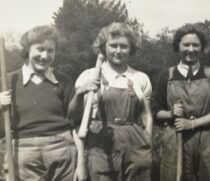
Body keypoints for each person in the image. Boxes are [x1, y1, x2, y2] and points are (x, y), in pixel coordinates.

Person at [70, 22, 153, 181]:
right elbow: (75, 121)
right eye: (113, 45)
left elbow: (146, 115)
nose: (118, 51)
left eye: (124, 46)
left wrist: (146, 141)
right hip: (101, 147)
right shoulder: (89, 76)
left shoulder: (140, 78)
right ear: (103, 47)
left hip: (136, 147)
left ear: (131, 48)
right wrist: (80, 164)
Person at [152, 24, 210, 181]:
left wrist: (192, 124)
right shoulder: (166, 75)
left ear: (201, 48)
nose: (191, 49)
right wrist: (171, 113)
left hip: (207, 139)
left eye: (195, 45)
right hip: (175, 138)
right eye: (186, 44)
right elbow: (155, 110)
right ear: (178, 46)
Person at [0, 25, 76, 180]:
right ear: (28, 50)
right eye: (40, 49)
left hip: (60, 149)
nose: (45, 55)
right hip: (23, 151)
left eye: (50, 50)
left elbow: (75, 121)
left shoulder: (64, 81)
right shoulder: (8, 82)